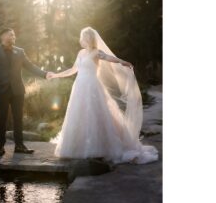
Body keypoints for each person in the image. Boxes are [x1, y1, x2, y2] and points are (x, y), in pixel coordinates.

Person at [47, 27, 158, 164]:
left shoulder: (96, 53)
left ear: (91, 38)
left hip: (92, 87)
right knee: (78, 116)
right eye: (83, 36)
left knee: (95, 115)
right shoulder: (81, 53)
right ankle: (77, 148)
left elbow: (109, 58)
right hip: (79, 88)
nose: (84, 38)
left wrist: (122, 61)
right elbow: (73, 70)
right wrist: (55, 75)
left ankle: (98, 149)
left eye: (87, 36)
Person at [0, 28, 47, 157]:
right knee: (2, 119)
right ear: (3, 36)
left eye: (14, 35)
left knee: (18, 119)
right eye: (11, 34)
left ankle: (19, 146)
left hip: (18, 91)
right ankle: (0, 147)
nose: (13, 36)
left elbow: (30, 66)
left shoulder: (20, 52)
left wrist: (45, 74)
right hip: (2, 91)